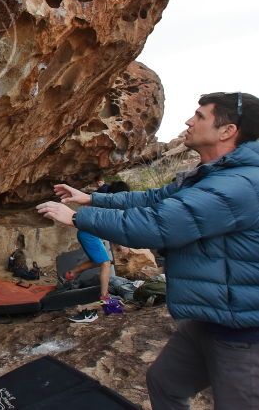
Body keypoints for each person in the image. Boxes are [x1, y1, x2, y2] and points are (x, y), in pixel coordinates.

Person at [37, 92, 259, 408]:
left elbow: (158, 224)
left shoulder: (240, 185)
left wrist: (76, 217)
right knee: (164, 383)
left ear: (227, 131)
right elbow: (154, 198)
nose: (188, 121)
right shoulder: (211, 175)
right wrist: (92, 199)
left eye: (199, 116)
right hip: (210, 320)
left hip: (244, 333)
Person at [65, 180, 130, 323]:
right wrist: (121, 244)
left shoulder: (106, 196)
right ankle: (105, 297)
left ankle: (73, 272)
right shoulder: (111, 207)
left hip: (87, 233)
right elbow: (114, 229)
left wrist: (102, 185)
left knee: (99, 260)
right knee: (105, 263)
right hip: (88, 234)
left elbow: (104, 188)